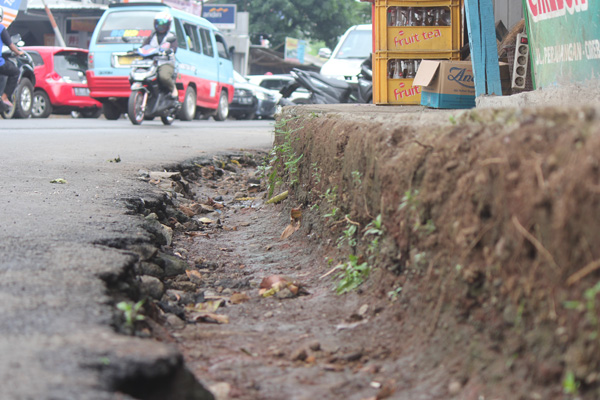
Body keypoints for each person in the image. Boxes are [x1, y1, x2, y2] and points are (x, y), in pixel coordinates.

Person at [142, 10, 178, 98]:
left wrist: (170, 50)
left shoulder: (171, 36)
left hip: (165, 63)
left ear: (168, 25)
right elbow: (144, 46)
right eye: (159, 23)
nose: (161, 26)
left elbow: (174, 47)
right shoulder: (152, 36)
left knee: (164, 77)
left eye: (163, 24)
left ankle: (173, 88)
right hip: (152, 63)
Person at [0, 7, 25, 109]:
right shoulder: (1, 28)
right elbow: (10, 44)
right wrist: (18, 52)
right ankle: (5, 97)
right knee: (15, 72)